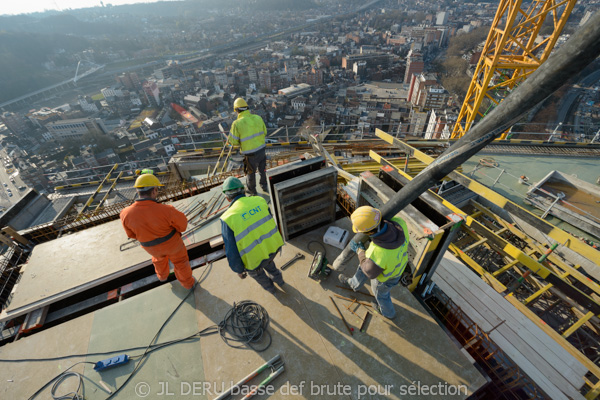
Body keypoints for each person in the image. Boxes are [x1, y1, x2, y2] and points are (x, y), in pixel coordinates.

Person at [120, 174, 195, 290]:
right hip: (172, 244)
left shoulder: (125, 213)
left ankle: (162, 277)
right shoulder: (166, 210)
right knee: (181, 263)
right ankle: (188, 284)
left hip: (151, 248)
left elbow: (131, 235)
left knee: (158, 260)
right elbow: (183, 226)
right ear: (154, 190)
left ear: (137, 190)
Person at [338, 206, 411, 319]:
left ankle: (388, 313)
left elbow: (369, 272)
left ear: (370, 231)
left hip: (386, 278)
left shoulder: (377, 253)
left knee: (381, 295)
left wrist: (360, 251)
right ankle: (354, 284)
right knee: (363, 265)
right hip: (398, 265)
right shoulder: (399, 223)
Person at [220, 177, 285, 294]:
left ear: (227, 197)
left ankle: (272, 290)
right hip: (271, 249)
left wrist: (238, 270)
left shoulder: (227, 218)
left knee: (261, 277)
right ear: (243, 190)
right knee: (271, 267)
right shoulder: (259, 200)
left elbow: (231, 250)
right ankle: (280, 281)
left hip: (254, 262)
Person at [228, 98, 268, 196]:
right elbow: (265, 132)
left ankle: (252, 190)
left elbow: (233, 141)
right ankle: (264, 185)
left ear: (237, 110)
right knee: (262, 170)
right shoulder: (258, 118)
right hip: (262, 150)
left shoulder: (236, 124)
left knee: (250, 173)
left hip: (250, 154)